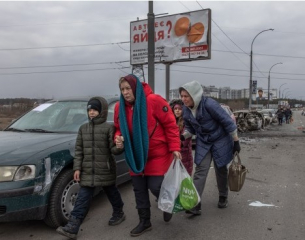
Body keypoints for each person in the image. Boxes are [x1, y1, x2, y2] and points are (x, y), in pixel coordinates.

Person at [114, 74, 181, 237]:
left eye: (128, 88)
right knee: (139, 189)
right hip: (136, 155)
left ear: (135, 87)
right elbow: (118, 127)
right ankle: (145, 222)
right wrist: (118, 137)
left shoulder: (153, 101)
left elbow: (170, 124)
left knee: (155, 185)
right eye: (122, 89)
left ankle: (167, 203)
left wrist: (175, 147)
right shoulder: (119, 108)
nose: (125, 93)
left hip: (157, 154)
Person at [56, 97, 125, 239]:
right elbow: (79, 150)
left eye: (95, 110)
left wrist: (119, 147)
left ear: (102, 111)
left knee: (112, 193)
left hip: (105, 170)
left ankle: (119, 212)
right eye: (90, 110)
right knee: (83, 198)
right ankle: (72, 227)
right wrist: (77, 168)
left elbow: (113, 150)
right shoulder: (83, 129)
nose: (92, 113)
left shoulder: (108, 128)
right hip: (88, 171)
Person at [179, 81, 240, 215]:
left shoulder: (209, 104)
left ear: (194, 95)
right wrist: (183, 136)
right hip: (204, 141)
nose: (183, 99)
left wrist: (236, 141)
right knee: (200, 169)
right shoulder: (186, 109)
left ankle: (223, 196)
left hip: (220, 139)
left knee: (220, 168)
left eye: (186, 96)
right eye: (182, 96)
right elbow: (190, 129)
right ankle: (195, 203)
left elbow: (227, 122)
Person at [169, 99, 193, 176]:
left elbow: (186, 138)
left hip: (184, 153)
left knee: (184, 176)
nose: (177, 111)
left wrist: (177, 145)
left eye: (180, 109)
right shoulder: (171, 121)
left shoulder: (186, 122)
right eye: (175, 109)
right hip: (173, 153)